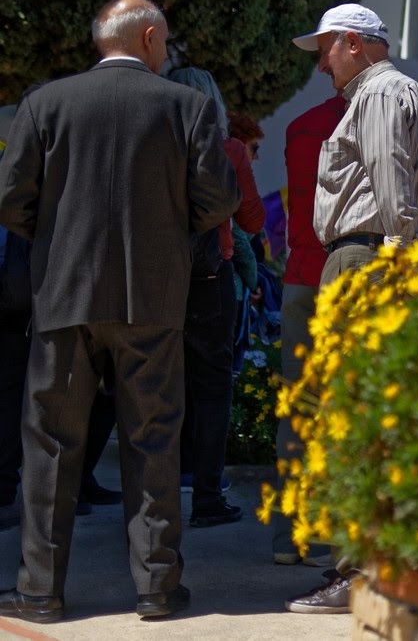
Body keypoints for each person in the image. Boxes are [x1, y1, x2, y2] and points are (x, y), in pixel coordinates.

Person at [0, 0, 239, 623]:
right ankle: (158, 588)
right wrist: (165, 233)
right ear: (151, 38)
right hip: (153, 298)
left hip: (63, 295)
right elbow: (218, 200)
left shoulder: (45, 103)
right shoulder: (188, 106)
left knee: (50, 443)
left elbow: (10, 198)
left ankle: (39, 591)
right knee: (153, 437)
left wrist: (53, 244)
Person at [284, 3, 418, 614]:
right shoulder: (417, 96)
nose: (321, 61)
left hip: (366, 257)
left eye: (326, 47)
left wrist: (392, 256)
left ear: (354, 44)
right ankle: (389, 565)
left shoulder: (376, 96)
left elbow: (389, 176)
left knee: (351, 419)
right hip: (393, 257)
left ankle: (357, 573)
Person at [168, 67, 265, 529]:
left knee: (153, 388)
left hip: (155, 281)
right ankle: (207, 497)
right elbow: (252, 219)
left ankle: (153, 502)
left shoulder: (153, 148)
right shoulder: (227, 150)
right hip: (210, 280)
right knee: (212, 391)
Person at [271, 91, 345, 568]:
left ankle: (287, 537)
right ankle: (326, 535)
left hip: (300, 273)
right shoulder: (374, 119)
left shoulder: (300, 125)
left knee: (297, 406)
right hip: (345, 272)